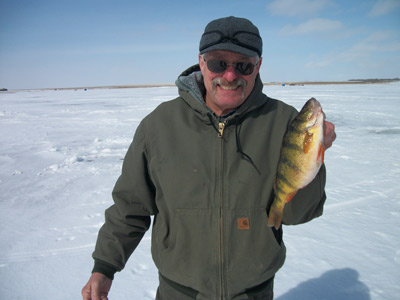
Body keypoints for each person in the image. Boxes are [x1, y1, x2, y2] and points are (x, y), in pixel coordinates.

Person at [82, 16, 336, 300]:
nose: (229, 76)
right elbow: (130, 206)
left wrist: (314, 155)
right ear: (201, 62)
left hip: (254, 293)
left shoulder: (284, 122)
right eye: (218, 63)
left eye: (243, 65)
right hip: (177, 292)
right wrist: (104, 267)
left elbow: (298, 213)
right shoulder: (159, 126)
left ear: (258, 66)